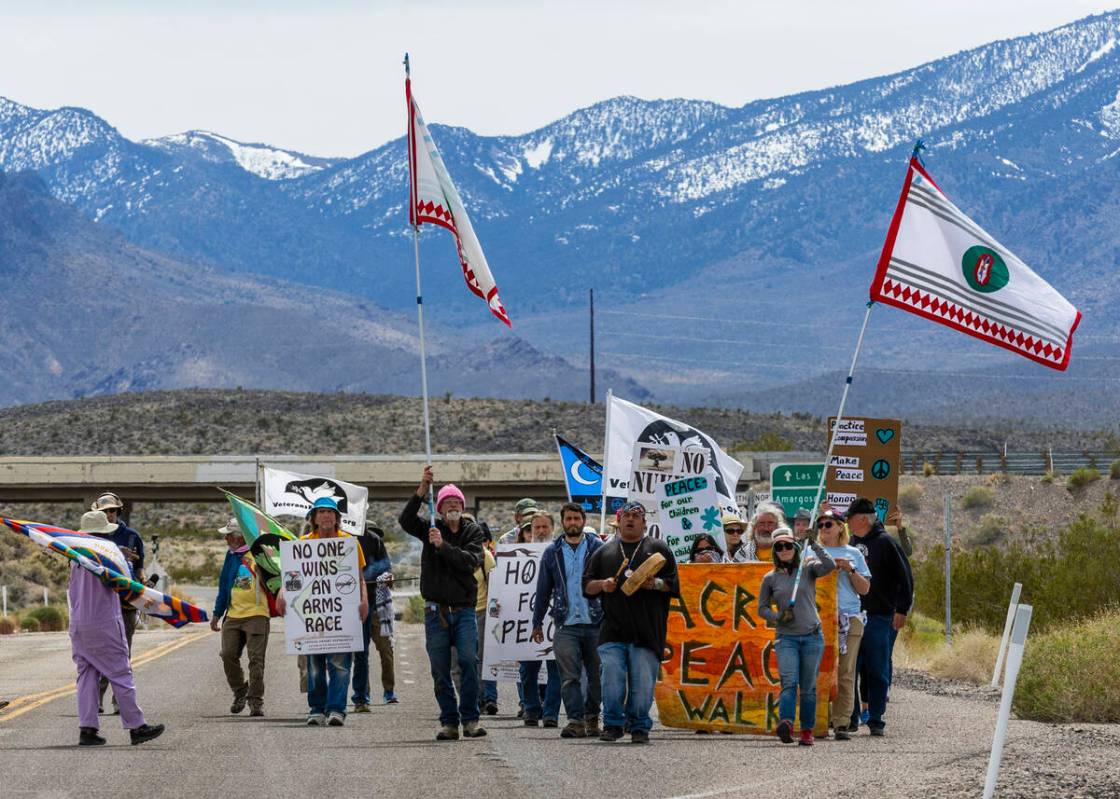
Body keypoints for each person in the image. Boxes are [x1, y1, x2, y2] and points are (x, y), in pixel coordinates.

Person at [399, 467, 487, 741]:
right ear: (439, 508)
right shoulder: (429, 529)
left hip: (464, 612)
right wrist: (422, 489)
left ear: (462, 507)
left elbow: (469, 561)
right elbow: (405, 520)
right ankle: (449, 721)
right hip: (435, 612)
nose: (452, 506)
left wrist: (443, 547)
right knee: (439, 669)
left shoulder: (473, 532)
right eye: (447, 503)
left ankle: (470, 719)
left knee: (468, 663)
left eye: (456, 503)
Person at [583, 501, 679, 744]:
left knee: (642, 684)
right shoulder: (604, 552)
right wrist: (603, 585)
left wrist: (654, 584)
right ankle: (613, 724)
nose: (631, 519)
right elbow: (587, 586)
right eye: (626, 515)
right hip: (612, 630)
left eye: (636, 516)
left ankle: (639, 726)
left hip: (647, 631)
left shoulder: (659, 549)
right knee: (612, 677)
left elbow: (674, 585)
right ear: (619, 521)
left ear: (644, 522)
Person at [70, 510, 164, 746]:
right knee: (120, 673)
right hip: (104, 621)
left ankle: (88, 729)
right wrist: (147, 602)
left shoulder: (74, 556)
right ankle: (136, 726)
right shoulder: (110, 554)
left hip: (79, 622)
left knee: (87, 675)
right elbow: (125, 586)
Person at [276, 497, 368, 728]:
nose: (326, 516)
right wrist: (281, 593)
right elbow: (292, 577)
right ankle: (316, 709)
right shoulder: (303, 543)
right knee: (314, 666)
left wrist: (364, 600)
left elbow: (358, 578)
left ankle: (336, 709)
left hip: (341, 616)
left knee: (340, 665)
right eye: (322, 512)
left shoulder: (349, 543)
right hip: (312, 618)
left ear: (337, 517)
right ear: (314, 518)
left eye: (331, 512)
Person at [757, 526, 835, 746]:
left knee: (808, 687)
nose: (783, 549)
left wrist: (816, 543)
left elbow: (829, 566)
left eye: (787, 545)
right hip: (786, 638)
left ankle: (807, 729)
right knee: (789, 681)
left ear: (796, 547)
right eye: (779, 547)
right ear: (775, 551)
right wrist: (779, 616)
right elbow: (761, 608)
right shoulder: (770, 579)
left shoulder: (808, 568)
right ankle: (787, 723)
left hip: (812, 636)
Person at [532, 503, 604, 739]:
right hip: (565, 624)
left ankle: (593, 718)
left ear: (583, 520)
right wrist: (537, 623)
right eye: (568, 519)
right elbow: (542, 590)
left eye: (576, 518)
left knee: (596, 676)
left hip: (595, 623)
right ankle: (575, 721)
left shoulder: (599, 549)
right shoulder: (552, 552)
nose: (573, 523)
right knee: (569, 677)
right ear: (562, 522)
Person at [846, 497, 913, 737]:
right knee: (850, 668)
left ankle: (876, 717)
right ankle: (850, 717)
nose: (847, 522)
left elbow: (905, 578)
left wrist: (902, 609)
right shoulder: (851, 543)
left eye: (850, 518)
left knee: (877, 668)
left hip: (879, 617)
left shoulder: (885, 542)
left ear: (864, 519)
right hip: (853, 615)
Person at [815, 508, 871, 741]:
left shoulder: (853, 553)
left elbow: (865, 589)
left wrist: (850, 570)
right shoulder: (811, 551)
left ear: (840, 527)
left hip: (849, 617)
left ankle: (841, 722)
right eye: (821, 525)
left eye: (829, 524)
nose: (824, 529)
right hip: (818, 618)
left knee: (846, 672)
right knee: (820, 670)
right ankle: (820, 719)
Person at [89, 492, 145, 715]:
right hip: (101, 604)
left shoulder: (132, 537)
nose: (109, 514)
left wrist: (141, 579)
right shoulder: (92, 537)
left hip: (126, 604)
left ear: (119, 512)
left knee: (123, 653)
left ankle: (119, 700)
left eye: (113, 510)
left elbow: (140, 567)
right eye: (105, 511)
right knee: (101, 652)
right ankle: (97, 699)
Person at [211, 518, 270, 717]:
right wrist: (217, 614)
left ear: (238, 537)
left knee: (256, 660)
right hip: (233, 615)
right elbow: (223, 586)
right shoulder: (231, 556)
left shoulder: (260, 554)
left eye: (228, 535)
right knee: (227, 655)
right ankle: (240, 692)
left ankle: (256, 702)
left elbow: (277, 579)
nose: (226, 538)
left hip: (257, 615)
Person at [518, 511, 562, 728]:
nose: (541, 531)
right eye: (537, 528)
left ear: (552, 529)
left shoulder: (559, 553)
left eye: (545, 527)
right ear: (531, 530)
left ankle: (551, 712)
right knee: (527, 671)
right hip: (526, 619)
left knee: (556, 669)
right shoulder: (519, 556)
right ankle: (531, 710)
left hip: (555, 619)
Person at [352, 525, 397, 711]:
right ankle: (363, 695)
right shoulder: (342, 539)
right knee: (360, 654)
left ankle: (389, 691)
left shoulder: (374, 540)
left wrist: (387, 578)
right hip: (354, 607)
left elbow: (386, 567)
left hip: (377, 606)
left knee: (386, 650)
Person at [475, 523, 499, 716]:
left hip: (483, 612)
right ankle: (476, 699)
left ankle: (489, 698)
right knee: (467, 660)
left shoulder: (486, 557)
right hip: (463, 611)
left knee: (484, 658)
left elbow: (494, 587)